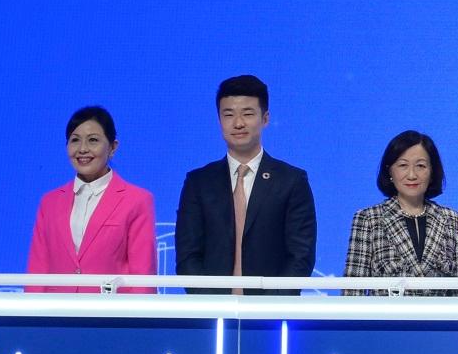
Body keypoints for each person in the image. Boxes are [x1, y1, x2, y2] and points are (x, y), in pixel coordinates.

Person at [173, 74, 317, 288]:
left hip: (270, 312)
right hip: (212, 310)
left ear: (265, 118)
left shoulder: (292, 181)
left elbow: (300, 256)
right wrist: (210, 302)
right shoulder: (199, 182)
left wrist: (268, 307)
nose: (238, 123)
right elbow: (187, 256)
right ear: (219, 120)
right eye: (228, 115)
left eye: (248, 114)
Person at [25, 106, 157, 291]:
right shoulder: (49, 203)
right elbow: (37, 272)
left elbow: (143, 277)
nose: (83, 149)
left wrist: (139, 318)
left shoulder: (137, 201)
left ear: (112, 147)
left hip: (111, 316)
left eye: (93, 140)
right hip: (57, 315)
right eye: (75, 140)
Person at [342, 131, 458, 292]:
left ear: (432, 172)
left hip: (437, 316)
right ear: (390, 172)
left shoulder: (452, 220)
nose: (412, 175)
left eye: (420, 166)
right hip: (386, 317)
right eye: (403, 165)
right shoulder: (368, 219)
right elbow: (352, 291)